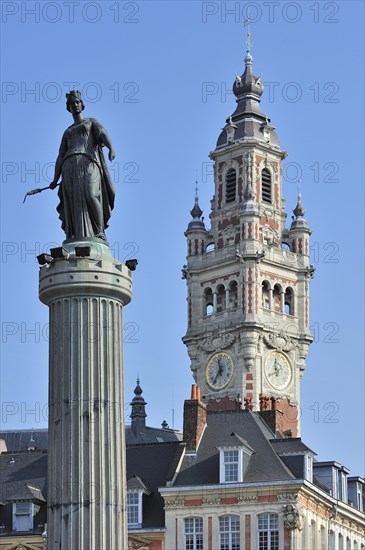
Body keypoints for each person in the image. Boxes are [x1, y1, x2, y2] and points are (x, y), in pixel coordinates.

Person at [50, 90, 116, 241]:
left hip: (89, 162)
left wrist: (111, 148)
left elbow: (103, 134)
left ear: (82, 104)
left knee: (91, 194)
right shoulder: (67, 131)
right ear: (69, 107)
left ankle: (99, 232)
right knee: (72, 201)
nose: (75, 105)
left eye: (77, 102)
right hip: (69, 167)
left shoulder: (91, 122)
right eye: (72, 103)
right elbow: (60, 155)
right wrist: (55, 179)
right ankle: (74, 234)